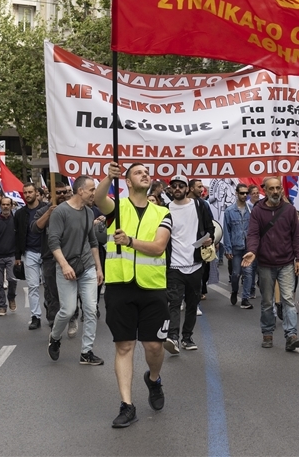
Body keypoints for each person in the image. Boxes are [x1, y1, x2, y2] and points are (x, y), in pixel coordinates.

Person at [94, 162, 172, 429]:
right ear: (127, 181)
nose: (145, 175)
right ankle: (127, 405)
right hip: (120, 287)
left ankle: (153, 379)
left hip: (152, 288)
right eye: (138, 172)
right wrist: (108, 176)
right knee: (124, 346)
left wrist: (129, 241)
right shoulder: (117, 208)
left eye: (147, 172)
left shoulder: (162, 211)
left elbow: (159, 247)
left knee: (154, 347)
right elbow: (97, 198)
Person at [47, 176, 104, 366]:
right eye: (91, 190)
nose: (94, 193)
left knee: (90, 310)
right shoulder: (60, 212)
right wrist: (64, 265)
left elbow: (93, 242)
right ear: (80, 191)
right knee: (68, 310)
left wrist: (98, 267)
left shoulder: (89, 212)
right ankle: (55, 338)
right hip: (66, 267)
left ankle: (86, 352)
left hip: (87, 266)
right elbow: (53, 241)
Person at [242, 177, 299, 352]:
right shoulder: (257, 211)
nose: (275, 191)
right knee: (268, 301)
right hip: (265, 264)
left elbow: (297, 237)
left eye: (278, 188)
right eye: (272, 189)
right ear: (266, 191)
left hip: (286, 263)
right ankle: (267, 332)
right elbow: (253, 234)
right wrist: (252, 251)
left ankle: (291, 335)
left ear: (282, 190)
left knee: (288, 300)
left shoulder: (290, 210)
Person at [162, 174, 213, 355]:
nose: (177, 188)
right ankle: (173, 337)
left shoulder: (199, 206)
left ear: (187, 188)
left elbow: (210, 228)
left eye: (180, 185)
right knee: (174, 303)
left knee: (192, 304)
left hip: (195, 264)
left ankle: (187, 337)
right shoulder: (165, 209)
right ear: (170, 189)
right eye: (174, 185)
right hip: (174, 266)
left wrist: (209, 239)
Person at [32, 178, 73, 332]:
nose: (62, 195)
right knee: (52, 292)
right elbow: (35, 228)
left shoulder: (73, 209)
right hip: (50, 258)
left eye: (64, 192)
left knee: (71, 291)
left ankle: (72, 315)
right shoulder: (43, 210)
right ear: (50, 193)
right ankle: (54, 324)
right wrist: (49, 214)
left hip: (70, 257)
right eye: (58, 193)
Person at [15, 182, 46, 330]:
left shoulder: (47, 209)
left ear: (36, 193)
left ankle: (51, 312)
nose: (27, 195)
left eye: (30, 192)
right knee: (33, 286)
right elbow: (17, 234)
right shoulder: (20, 214)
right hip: (30, 252)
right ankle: (35, 316)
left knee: (49, 285)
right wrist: (17, 256)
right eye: (25, 192)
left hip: (47, 252)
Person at [222, 183, 254, 309]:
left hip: (248, 247)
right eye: (242, 193)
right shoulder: (229, 211)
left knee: (249, 273)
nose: (244, 195)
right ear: (236, 193)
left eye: (246, 193)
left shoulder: (251, 209)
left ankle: (245, 298)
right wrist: (227, 248)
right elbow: (227, 231)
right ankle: (234, 291)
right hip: (236, 246)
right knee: (235, 274)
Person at [0, 198, 18, 316]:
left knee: (12, 279)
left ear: (11, 206)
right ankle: (1, 306)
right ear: (0, 206)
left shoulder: (16, 221)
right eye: (3, 204)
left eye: (8, 204)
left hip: (12, 255)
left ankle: (11, 297)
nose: (6, 207)